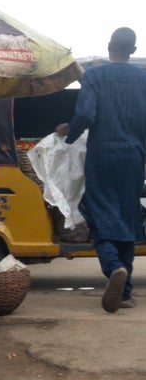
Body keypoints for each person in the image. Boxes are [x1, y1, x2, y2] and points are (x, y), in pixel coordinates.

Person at [55, 27, 146, 312]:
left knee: (96, 211)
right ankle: (124, 294)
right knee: (127, 217)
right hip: (134, 158)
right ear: (133, 51)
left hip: (103, 155)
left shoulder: (94, 76)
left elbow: (85, 114)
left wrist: (69, 133)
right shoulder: (143, 79)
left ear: (109, 46)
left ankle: (113, 265)